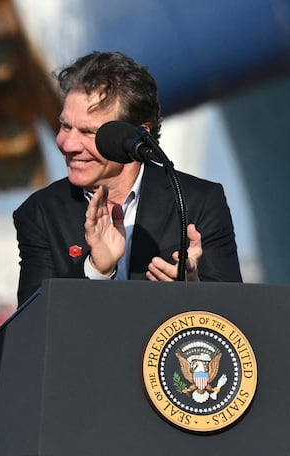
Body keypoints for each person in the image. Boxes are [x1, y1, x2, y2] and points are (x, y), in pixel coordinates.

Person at [13, 51, 242, 305]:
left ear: (137, 136)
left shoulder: (199, 202)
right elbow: (32, 324)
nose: (67, 144)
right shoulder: (39, 213)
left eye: (89, 132)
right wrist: (95, 271)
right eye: (65, 126)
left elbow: (233, 317)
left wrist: (194, 290)